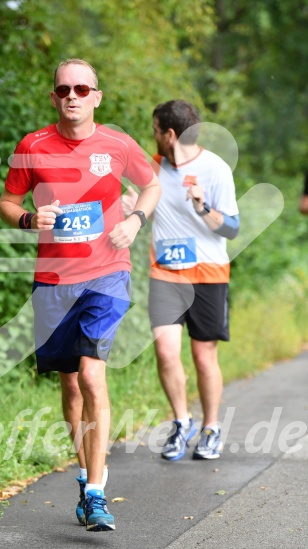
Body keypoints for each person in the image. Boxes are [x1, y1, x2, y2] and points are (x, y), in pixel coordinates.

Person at [0, 59, 160, 531]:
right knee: (69, 384)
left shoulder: (117, 143)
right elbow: (8, 203)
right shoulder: (32, 146)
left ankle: (95, 490)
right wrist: (28, 219)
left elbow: (151, 185)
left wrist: (134, 221)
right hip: (52, 281)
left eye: (82, 88)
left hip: (107, 274)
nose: (73, 95)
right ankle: (86, 469)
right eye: (64, 88)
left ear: (96, 96)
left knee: (92, 376)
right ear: (54, 97)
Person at [123, 99, 239, 462]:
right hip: (166, 274)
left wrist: (204, 207)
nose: (152, 136)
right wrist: (132, 209)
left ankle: (211, 428)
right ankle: (180, 422)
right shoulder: (152, 169)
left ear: (169, 134)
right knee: (165, 352)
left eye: (155, 130)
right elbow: (143, 206)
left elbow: (233, 229)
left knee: (203, 356)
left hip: (208, 273)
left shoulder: (215, 169)